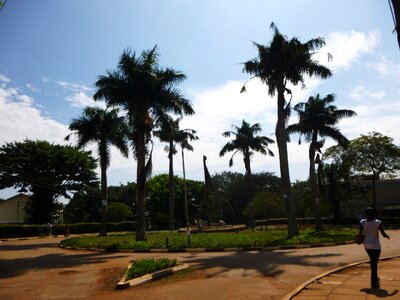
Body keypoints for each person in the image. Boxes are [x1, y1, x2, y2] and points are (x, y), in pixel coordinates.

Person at [358, 207, 390, 288]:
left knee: (373, 262)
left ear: (366, 214)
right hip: (376, 246)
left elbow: (360, 233)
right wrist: (387, 236)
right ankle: (374, 282)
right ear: (373, 214)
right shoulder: (377, 222)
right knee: (374, 263)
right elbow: (383, 234)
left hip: (366, 245)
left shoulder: (362, 222)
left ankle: (375, 278)